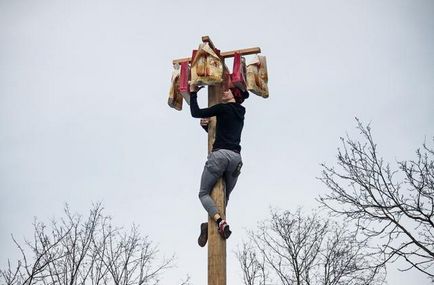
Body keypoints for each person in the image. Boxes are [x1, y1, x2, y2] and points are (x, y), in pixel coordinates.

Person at [189, 84, 249, 247]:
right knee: (225, 196)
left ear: (234, 95)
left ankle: (218, 221)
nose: (224, 91)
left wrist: (193, 93)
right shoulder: (241, 113)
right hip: (236, 159)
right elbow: (225, 133)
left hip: (220, 156)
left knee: (203, 193)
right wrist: (207, 128)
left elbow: (196, 112)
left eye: (228, 90)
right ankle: (212, 224)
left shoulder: (223, 109)